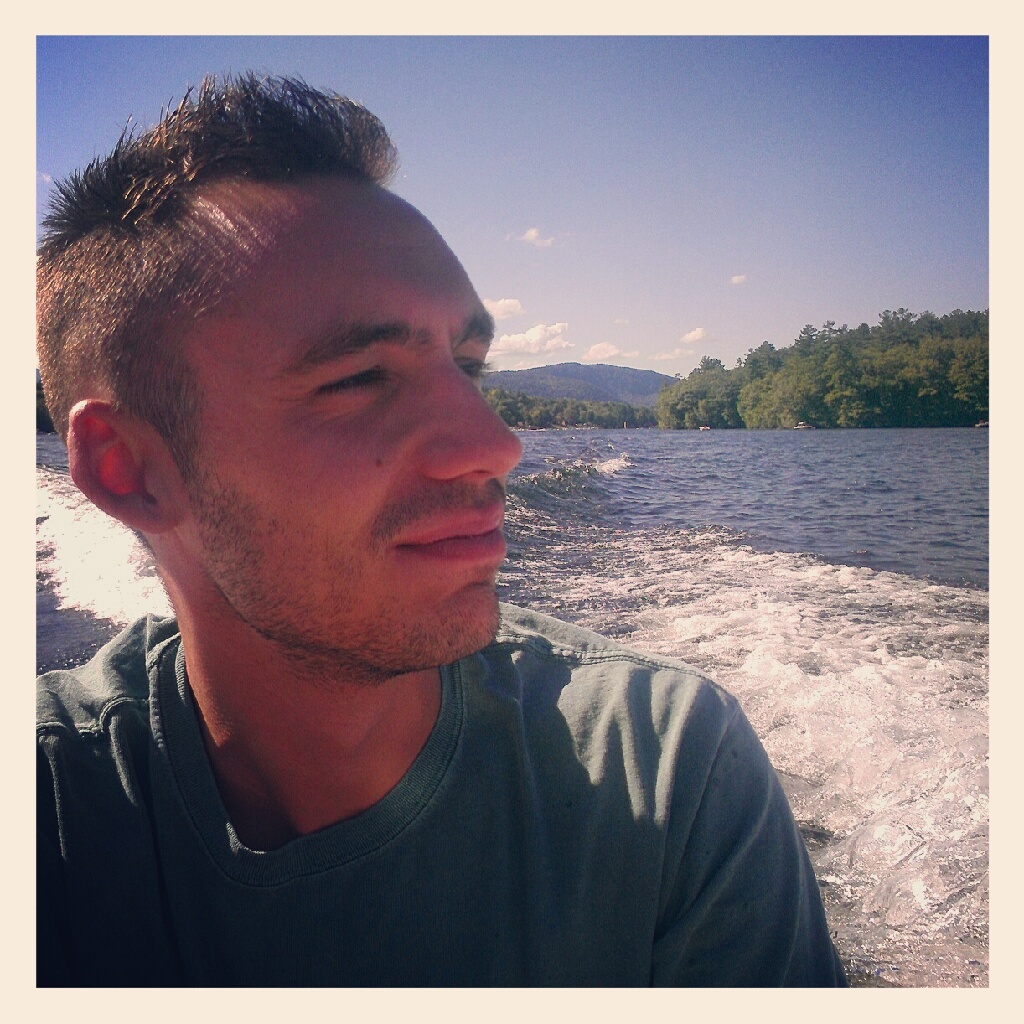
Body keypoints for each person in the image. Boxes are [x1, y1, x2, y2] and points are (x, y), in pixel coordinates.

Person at [36, 73, 847, 987]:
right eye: (359, 379)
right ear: (127, 470)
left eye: (469, 366)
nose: (497, 446)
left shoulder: (665, 774)